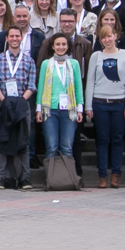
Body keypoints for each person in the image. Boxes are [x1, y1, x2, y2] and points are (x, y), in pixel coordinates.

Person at [86, 27, 125, 188]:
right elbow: (90, 82)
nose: (107, 40)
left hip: (119, 104)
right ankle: (102, 175)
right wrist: (88, 105)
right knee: (102, 140)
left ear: (116, 36)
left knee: (117, 140)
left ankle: (116, 174)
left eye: (109, 36)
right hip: (100, 103)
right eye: (103, 37)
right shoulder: (96, 56)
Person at [0, 26, 37, 191]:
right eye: (12, 36)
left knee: (23, 142)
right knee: (3, 140)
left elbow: (31, 85)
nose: (15, 38)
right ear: (7, 38)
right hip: (3, 104)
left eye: (18, 36)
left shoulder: (28, 60)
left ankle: (25, 179)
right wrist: (4, 101)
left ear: (21, 38)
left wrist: (21, 101)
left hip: (22, 105)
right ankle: (1, 179)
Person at [34, 34, 83, 175]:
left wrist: (80, 108)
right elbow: (41, 87)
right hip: (50, 110)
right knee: (51, 147)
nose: (61, 47)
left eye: (63, 44)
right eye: (58, 44)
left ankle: (67, 178)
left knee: (67, 147)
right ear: (52, 46)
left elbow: (78, 87)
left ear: (68, 46)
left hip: (69, 110)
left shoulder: (74, 64)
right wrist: (38, 109)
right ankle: (51, 178)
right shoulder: (46, 64)